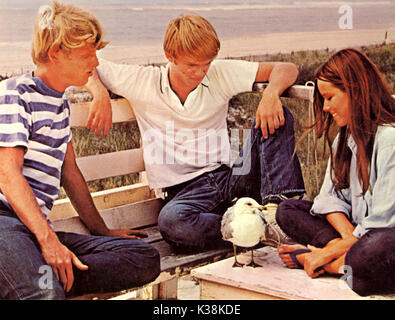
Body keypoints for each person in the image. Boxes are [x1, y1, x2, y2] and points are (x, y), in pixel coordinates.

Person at [87, 14, 306, 253]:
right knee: (172, 223)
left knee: (279, 117)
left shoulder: (219, 73)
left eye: (207, 63)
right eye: (192, 65)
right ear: (169, 56)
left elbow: (286, 68)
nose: (201, 72)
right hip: (184, 196)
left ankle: (279, 214)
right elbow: (87, 61)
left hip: (228, 179)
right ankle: (255, 228)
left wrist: (271, 94)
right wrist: (98, 92)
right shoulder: (143, 82)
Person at [0, 1, 160, 300]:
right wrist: (48, 242)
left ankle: (35, 279)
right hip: (5, 222)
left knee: (143, 257)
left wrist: (102, 231)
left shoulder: (59, 103)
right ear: (56, 53)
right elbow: (7, 176)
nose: (95, 63)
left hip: (32, 230)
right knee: (43, 293)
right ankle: (36, 283)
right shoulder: (14, 94)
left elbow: (69, 173)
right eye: (87, 54)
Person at [276, 48, 395, 296]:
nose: (327, 107)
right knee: (287, 210)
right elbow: (328, 198)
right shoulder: (345, 135)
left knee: (372, 251)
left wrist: (328, 251)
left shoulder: (390, 138)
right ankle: (344, 264)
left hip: (382, 237)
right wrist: (345, 239)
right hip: (359, 236)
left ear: (355, 91)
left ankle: (325, 261)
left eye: (330, 98)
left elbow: (383, 221)